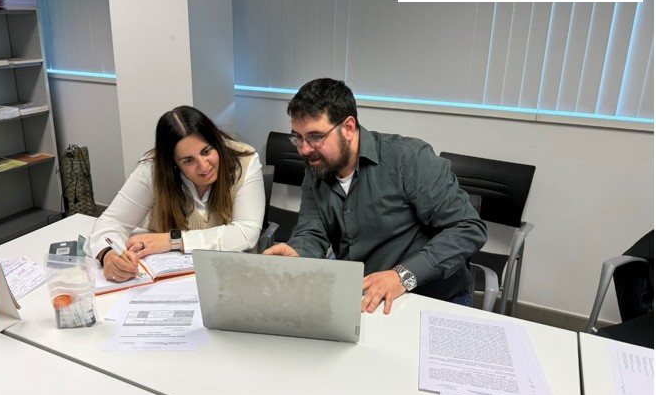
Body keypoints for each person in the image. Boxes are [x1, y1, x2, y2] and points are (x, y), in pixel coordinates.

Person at [264, 78, 487, 314]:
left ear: (348, 128)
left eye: (315, 137)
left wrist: (402, 276)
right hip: (367, 299)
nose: (304, 149)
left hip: (429, 297)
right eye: (297, 137)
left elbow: (468, 228)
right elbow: (312, 230)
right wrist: (298, 252)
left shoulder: (407, 159)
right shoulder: (317, 167)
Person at [86, 105, 265, 283]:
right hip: (167, 282)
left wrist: (173, 240)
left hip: (228, 277)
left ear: (216, 141)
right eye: (188, 160)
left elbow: (245, 232)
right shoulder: (153, 169)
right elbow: (111, 223)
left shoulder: (245, 161)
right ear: (173, 163)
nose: (204, 166)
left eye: (206, 151)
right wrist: (108, 255)